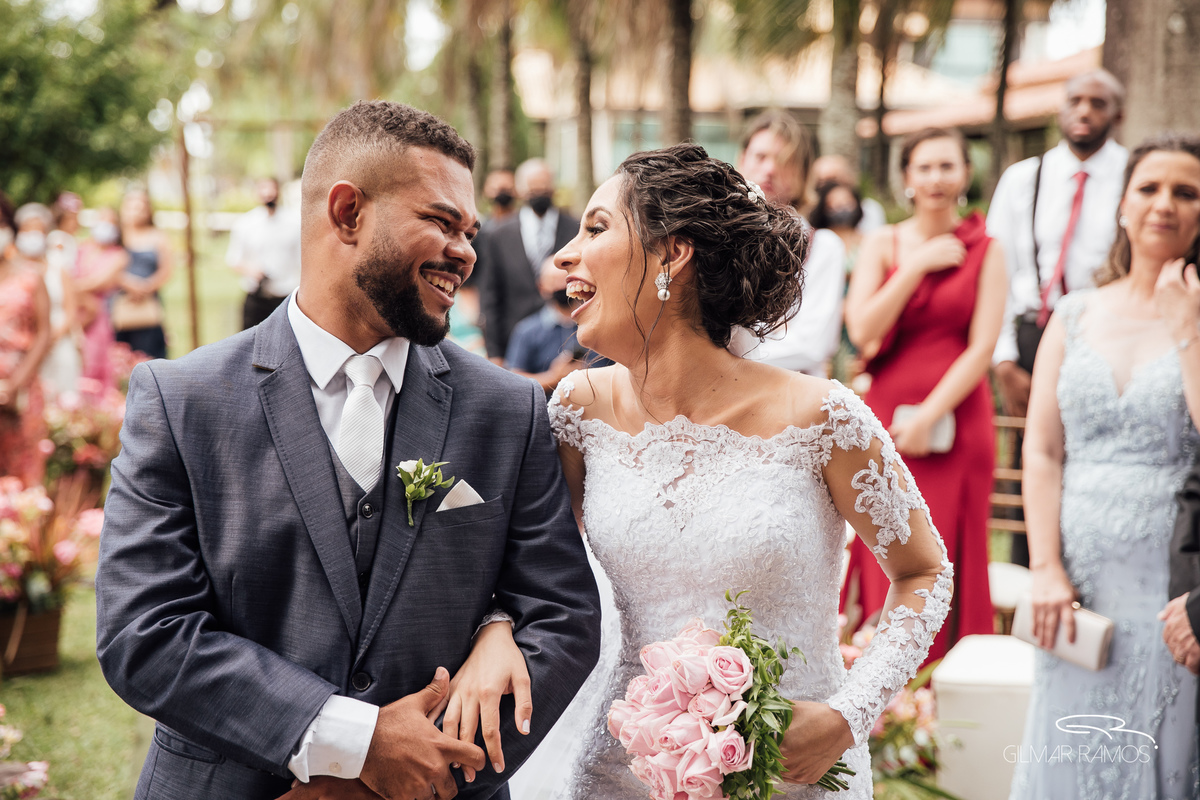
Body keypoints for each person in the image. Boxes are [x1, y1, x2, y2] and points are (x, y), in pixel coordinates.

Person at [95, 100, 601, 800]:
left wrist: (408, 773)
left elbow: (561, 618)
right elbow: (145, 632)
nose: (466, 252)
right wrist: (352, 742)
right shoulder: (182, 401)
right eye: (441, 221)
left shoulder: (506, 408)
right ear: (347, 213)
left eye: (470, 231)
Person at [449, 143, 954, 799]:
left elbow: (924, 573)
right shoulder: (578, 410)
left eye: (596, 228)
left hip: (789, 775)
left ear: (672, 254)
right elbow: (526, 572)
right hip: (623, 773)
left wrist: (846, 716)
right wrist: (495, 628)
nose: (564, 258)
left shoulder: (823, 418)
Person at [1014, 134, 1200, 799]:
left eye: (1186, 192)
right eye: (1149, 188)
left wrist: (1189, 329)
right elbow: (1042, 449)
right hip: (1076, 581)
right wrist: (1045, 566)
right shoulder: (1074, 313)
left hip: (1171, 582)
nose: (1164, 204)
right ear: (1122, 204)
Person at [841, 127, 1006, 664]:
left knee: (949, 552)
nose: (936, 178)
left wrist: (929, 415)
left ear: (966, 174)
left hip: (958, 420)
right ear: (907, 177)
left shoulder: (988, 249)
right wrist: (916, 266)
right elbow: (862, 330)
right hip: (887, 421)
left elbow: (982, 348)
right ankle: (883, 679)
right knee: (886, 543)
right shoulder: (883, 243)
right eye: (925, 167)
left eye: (947, 166)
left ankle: (942, 686)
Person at [987, 70, 1128, 566]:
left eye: (1098, 102)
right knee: (1031, 454)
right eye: (1075, 100)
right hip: (1033, 333)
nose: (1084, 111)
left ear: (1118, 114)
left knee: (1099, 453)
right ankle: (1031, 573)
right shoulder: (1023, 178)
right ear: (1061, 109)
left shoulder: (1134, 176)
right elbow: (999, 273)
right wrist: (1004, 358)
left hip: (1105, 333)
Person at [728, 110, 846, 377]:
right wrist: (776, 332)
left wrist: (727, 355)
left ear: (804, 173)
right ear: (742, 160)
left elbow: (812, 345)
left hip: (791, 396)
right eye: (761, 157)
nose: (770, 169)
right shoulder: (717, 236)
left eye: (785, 161)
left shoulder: (823, 247)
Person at [478, 159, 579, 362]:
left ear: (553, 187)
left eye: (544, 186)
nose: (539, 192)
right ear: (520, 190)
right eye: (533, 188)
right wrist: (494, 352)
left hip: (569, 342)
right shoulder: (499, 234)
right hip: (513, 343)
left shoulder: (575, 229)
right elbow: (490, 295)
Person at [0, 193, 52, 485]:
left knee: (22, 474)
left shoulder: (30, 277)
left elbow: (43, 333)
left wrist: (14, 385)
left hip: (21, 388)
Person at [16, 202, 80, 398]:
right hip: (24, 347)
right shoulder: (12, 271)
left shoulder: (58, 267)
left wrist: (52, 337)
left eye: (38, 229)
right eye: (27, 229)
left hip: (59, 343)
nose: (32, 235)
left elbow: (71, 309)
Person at [227, 177, 303, 330]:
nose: (268, 194)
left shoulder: (295, 222)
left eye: (271, 189)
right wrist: (252, 270)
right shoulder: (245, 223)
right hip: (256, 297)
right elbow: (233, 259)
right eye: (263, 189)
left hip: (285, 297)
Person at [505, 260, 590, 394]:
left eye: (566, 280)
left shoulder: (594, 324)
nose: (561, 286)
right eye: (554, 281)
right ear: (541, 287)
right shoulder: (527, 331)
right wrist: (553, 377)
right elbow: (514, 380)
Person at [809, 182, 866, 384]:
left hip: (858, 316)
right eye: (834, 204)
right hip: (824, 314)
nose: (841, 208)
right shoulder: (815, 243)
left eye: (846, 202)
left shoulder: (868, 242)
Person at [73, 208, 128, 389]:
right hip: (73, 310)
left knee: (92, 360)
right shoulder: (82, 248)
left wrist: (69, 288)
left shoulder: (119, 255)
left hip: (97, 317)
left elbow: (98, 282)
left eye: (110, 222)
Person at [114, 189, 172, 359]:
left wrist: (145, 287)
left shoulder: (158, 236)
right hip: (118, 304)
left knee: (148, 355)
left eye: (140, 208)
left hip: (148, 303)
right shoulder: (117, 236)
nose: (136, 212)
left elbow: (166, 269)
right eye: (131, 207)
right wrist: (128, 284)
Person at [812, 153, 886, 235]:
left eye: (834, 178)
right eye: (822, 181)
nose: (829, 185)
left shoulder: (870, 210)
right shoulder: (808, 214)